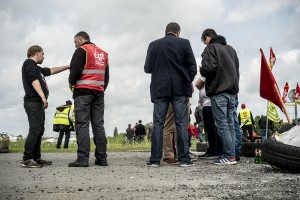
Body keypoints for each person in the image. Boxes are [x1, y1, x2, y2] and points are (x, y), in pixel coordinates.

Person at [144, 22, 197, 167]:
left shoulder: (153, 45)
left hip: (160, 89)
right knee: (181, 124)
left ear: (165, 31)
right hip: (180, 89)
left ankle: (155, 160)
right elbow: (193, 67)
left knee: (158, 124)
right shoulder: (185, 43)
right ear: (178, 32)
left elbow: (147, 68)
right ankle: (184, 160)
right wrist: (186, 80)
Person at [21, 45, 70, 168]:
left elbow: (52, 70)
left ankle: (36, 158)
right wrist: (43, 97)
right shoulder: (29, 63)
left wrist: (68, 66)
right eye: (43, 53)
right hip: (33, 102)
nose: (44, 56)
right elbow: (34, 81)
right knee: (35, 129)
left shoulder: (37, 68)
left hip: (36, 103)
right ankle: (27, 158)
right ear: (36, 53)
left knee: (39, 130)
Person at [68, 31, 109, 167]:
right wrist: (101, 89)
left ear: (80, 39)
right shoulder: (103, 54)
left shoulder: (82, 50)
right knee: (98, 125)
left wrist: (71, 83)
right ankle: (102, 158)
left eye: (75, 42)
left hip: (83, 92)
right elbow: (106, 76)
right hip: (99, 93)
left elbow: (75, 70)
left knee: (82, 124)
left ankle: (83, 159)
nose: (75, 45)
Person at [200, 28, 239, 165]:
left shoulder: (211, 48)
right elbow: (237, 70)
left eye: (204, 42)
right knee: (230, 124)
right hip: (232, 92)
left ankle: (229, 156)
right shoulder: (231, 49)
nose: (205, 45)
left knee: (222, 124)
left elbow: (207, 69)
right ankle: (232, 154)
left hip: (219, 91)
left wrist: (201, 67)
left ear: (207, 37)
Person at [195, 76, 223, 159]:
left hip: (208, 105)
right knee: (216, 128)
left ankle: (212, 150)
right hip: (213, 103)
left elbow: (197, 84)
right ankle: (218, 150)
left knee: (210, 129)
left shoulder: (206, 74)